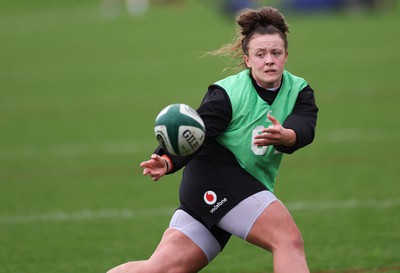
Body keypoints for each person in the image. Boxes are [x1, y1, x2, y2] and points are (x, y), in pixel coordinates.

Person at [107, 6, 318, 273]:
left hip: (237, 185)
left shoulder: (299, 90)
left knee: (162, 268)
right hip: (215, 177)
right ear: (247, 59)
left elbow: (305, 123)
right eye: (260, 54)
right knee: (287, 239)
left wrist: (289, 135)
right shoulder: (228, 94)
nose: (269, 60)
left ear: (286, 56)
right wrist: (167, 159)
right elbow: (196, 133)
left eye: (276, 53)